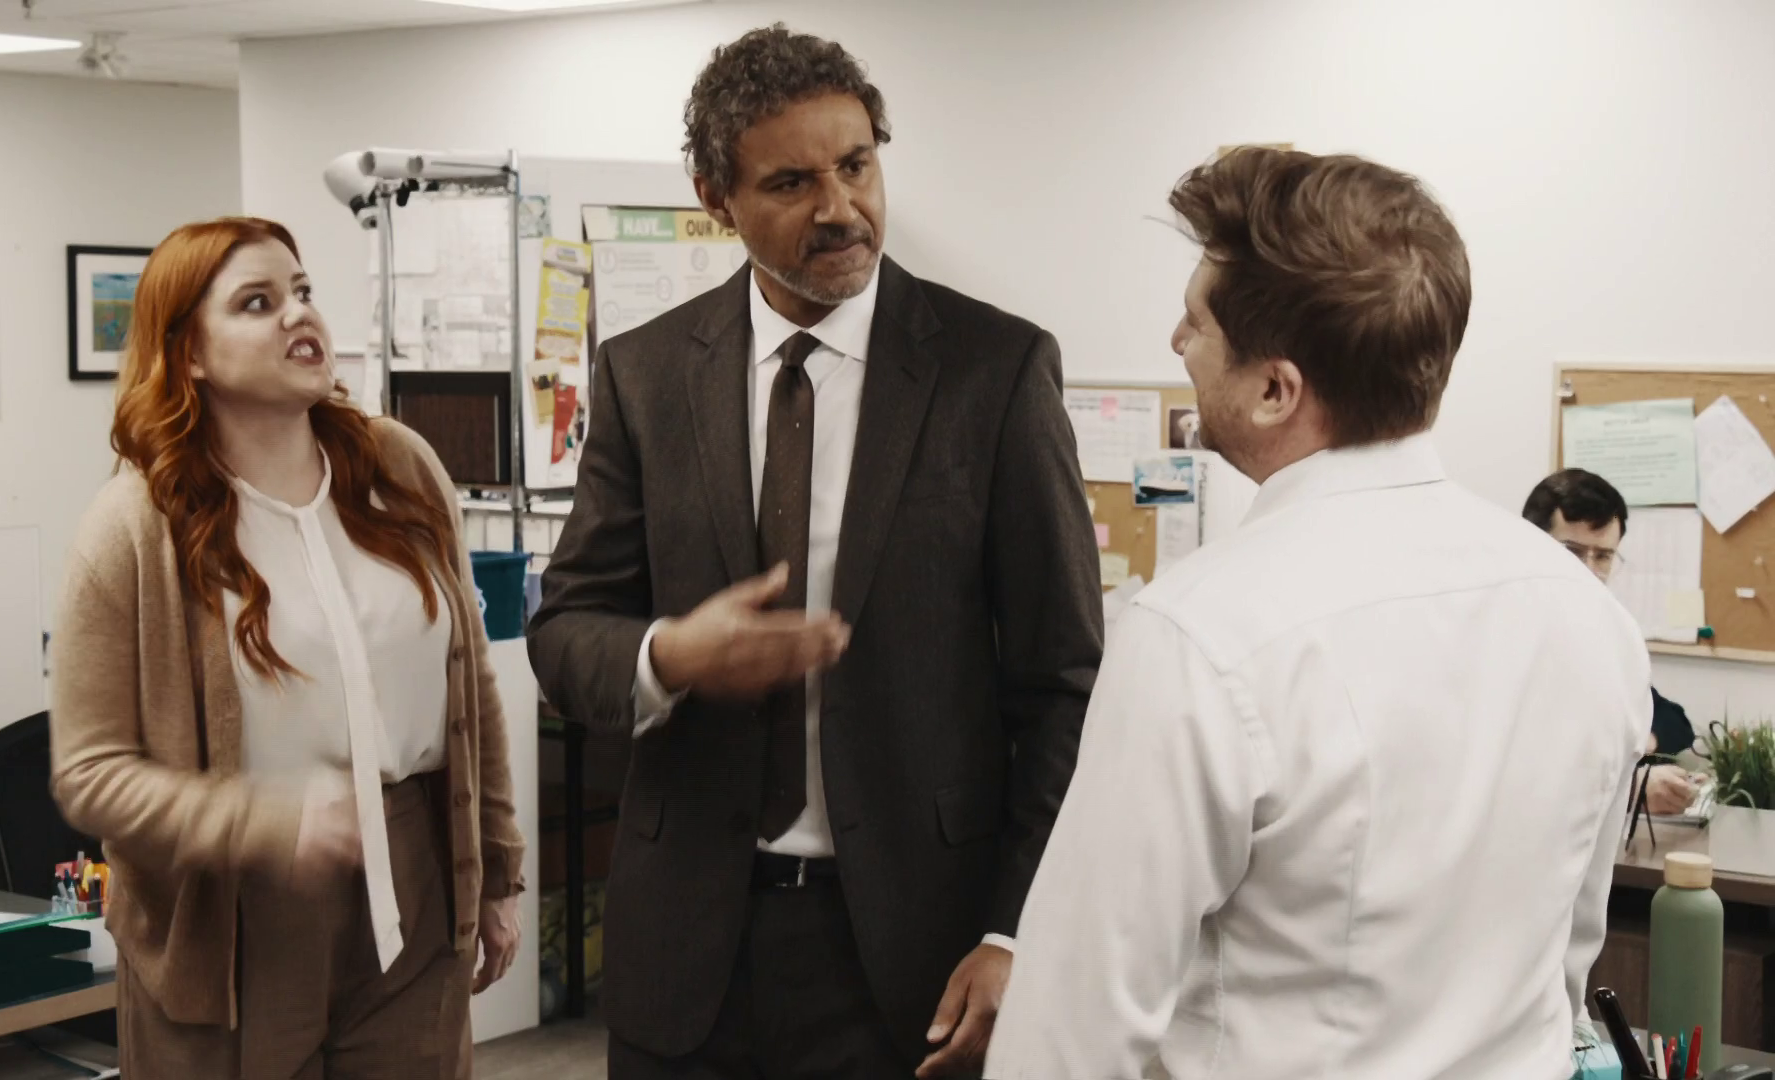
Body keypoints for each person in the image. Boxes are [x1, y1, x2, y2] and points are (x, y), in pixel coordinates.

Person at [986, 149, 1653, 1078]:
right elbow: (1568, 958)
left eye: (1197, 320)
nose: (1176, 339)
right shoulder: (1589, 614)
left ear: (1276, 390)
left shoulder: (1198, 633)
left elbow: (1069, 1031)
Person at [528, 25, 1102, 1080]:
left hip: (913, 954)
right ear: (715, 197)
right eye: (792, 182)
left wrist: (1014, 929)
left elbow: (1063, 683)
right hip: (688, 948)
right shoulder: (645, 375)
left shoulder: (995, 370)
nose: (840, 208)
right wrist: (670, 656)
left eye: (856, 165)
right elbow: (566, 629)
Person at [49, 217, 525, 1079]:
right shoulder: (133, 525)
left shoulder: (399, 467)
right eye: (257, 303)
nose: (298, 314)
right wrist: (267, 823)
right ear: (190, 353)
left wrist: (497, 872)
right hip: (233, 903)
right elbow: (89, 772)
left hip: (414, 862)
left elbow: (472, 684)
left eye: (302, 291)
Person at [1523, 467, 1707, 814]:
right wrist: (1629, 788)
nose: (1589, 570)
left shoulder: (1602, 634)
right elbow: (1522, 765)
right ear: (1529, 544)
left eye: (1603, 556)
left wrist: (1637, 744)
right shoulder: (1504, 634)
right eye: (1572, 551)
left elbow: (1673, 721)